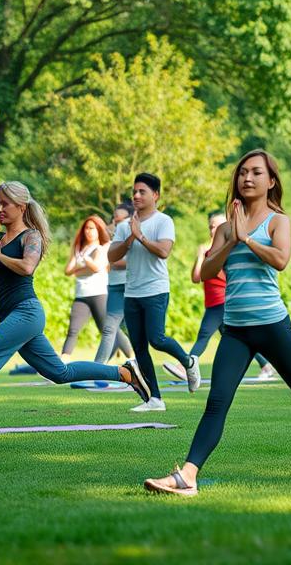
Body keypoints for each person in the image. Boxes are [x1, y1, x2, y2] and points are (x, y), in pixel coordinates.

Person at [143, 150, 291, 496]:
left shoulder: (279, 221)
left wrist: (247, 238)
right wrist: (231, 239)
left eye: (255, 173)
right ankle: (188, 476)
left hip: (272, 326)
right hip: (235, 331)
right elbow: (206, 272)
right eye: (242, 173)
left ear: (271, 181)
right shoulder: (224, 228)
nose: (247, 178)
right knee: (216, 402)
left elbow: (281, 260)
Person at [0, 181, 149, 435]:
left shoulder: (31, 236)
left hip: (26, 313)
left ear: (21, 206)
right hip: (14, 317)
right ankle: (124, 373)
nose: (0, 209)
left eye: (5, 204)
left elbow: (28, 267)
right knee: (60, 372)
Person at [109, 172, 200, 412]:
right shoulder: (124, 226)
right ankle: (155, 399)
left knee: (156, 339)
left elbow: (163, 251)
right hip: (132, 293)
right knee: (139, 348)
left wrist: (140, 236)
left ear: (155, 195)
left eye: (142, 192)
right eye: (135, 192)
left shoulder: (163, 221)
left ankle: (188, 361)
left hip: (156, 290)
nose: (136, 196)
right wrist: (130, 237)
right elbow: (111, 257)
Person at [164, 212, 276, 382]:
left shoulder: (228, 250)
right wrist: (201, 256)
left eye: (216, 226)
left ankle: (185, 366)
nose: (212, 229)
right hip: (212, 302)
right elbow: (196, 277)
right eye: (210, 226)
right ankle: (266, 365)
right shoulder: (208, 251)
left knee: (203, 334)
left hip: (222, 301)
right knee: (243, 338)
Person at [60, 214, 134, 362]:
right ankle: (61, 364)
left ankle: (133, 358)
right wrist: (84, 265)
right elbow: (68, 270)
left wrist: (82, 263)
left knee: (109, 330)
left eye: (92, 228)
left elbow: (96, 268)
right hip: (81, 295)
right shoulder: (79, 248)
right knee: (73, 330)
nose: (89, 231)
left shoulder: (102, 248)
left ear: (98, 230)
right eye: (86, 228)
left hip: (99, 294)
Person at [96, 202, 136, 364]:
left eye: (119, 219)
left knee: (113, 328)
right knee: (112, 328)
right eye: (114, 218)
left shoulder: (134, 235)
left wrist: (113, 260)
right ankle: (98, 367)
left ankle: (98, 367)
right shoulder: (114, 237)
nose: (115, 222)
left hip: (130, 286)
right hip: (114, 286)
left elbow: (130, 261)